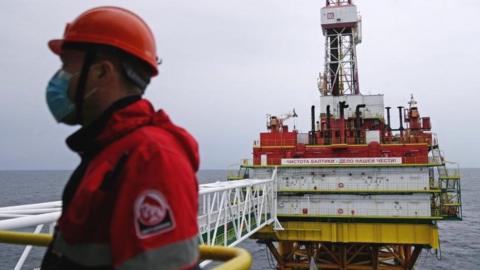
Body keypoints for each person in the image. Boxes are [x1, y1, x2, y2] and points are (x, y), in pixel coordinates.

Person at [41, 6, 200, 270]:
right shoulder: (110, 151)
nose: (59, 80)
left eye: (66, 66)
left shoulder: (152, 158)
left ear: (102, 72)